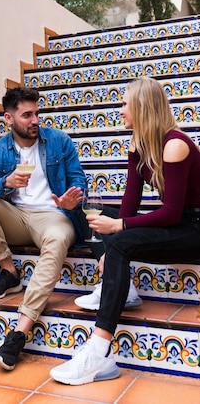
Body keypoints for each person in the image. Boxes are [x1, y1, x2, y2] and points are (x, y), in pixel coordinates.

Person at [50, 76, 200, 386]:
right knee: (98, 213)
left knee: (119, 237)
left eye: (124, 103)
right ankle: (121, 288)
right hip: (178, 222)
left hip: (194, 228)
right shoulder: (138, 144)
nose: (119, 110)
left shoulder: (175, 145)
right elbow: (130, 201)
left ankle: (99, 351)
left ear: (142, 108)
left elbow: (171, 213)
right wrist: (117, 229)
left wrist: (119, 232)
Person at [0, 86, 87, 371]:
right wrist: (5, 183)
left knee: (57, 240)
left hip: (52, 215)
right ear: (8, 118)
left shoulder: (58, 141)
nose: (34, 120)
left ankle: (19, 332)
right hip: (16, 216)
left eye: (37, 113)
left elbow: (78, 179)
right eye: (27, 115)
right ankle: (9, 272)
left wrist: (72, 199)